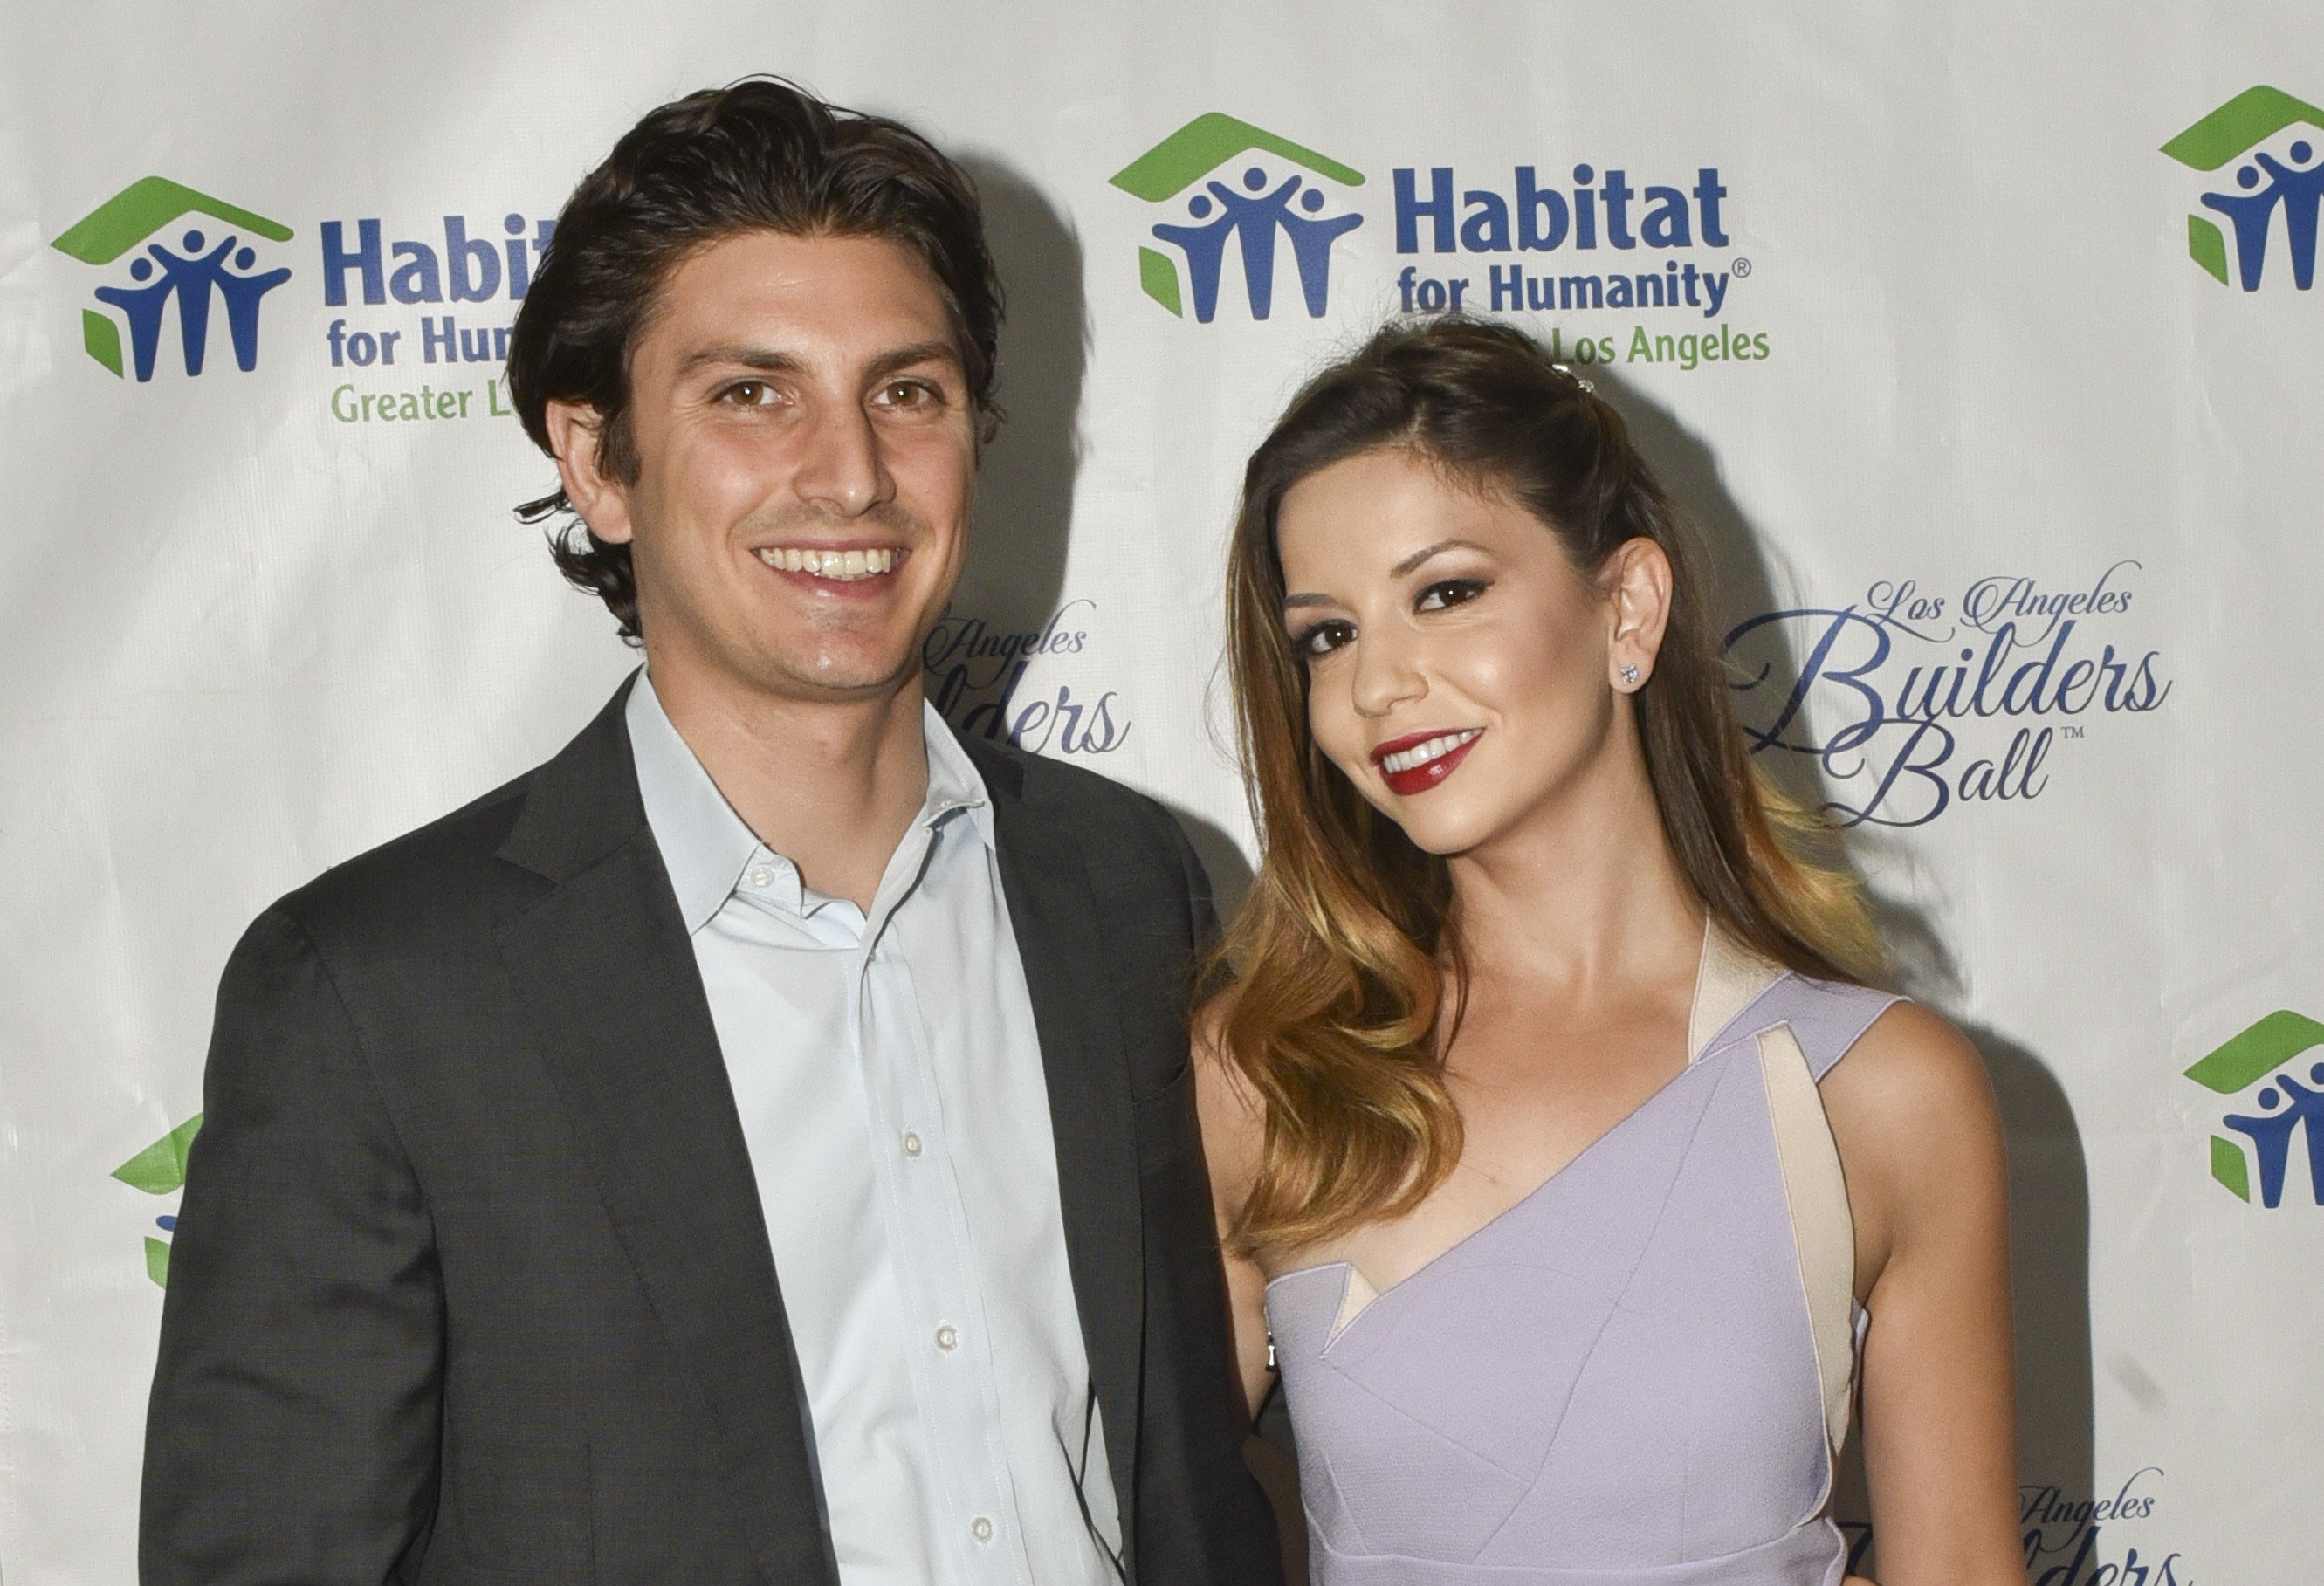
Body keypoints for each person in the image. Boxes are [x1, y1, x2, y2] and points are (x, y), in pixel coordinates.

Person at [141, 79, 1280, 1586]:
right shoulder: (374, 994)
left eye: (907, 390)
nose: (852, 472)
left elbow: (1192, 1467)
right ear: (599, 463)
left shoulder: (1124, 883)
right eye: (751, 392)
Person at [1194, 316, 2020, 1585]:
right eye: (1328, 634)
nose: (1376, 687)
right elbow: (1108, 1505)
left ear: (1624, 605)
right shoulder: (1267, 1070)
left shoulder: (1875, 1091)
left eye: (1445, 592)